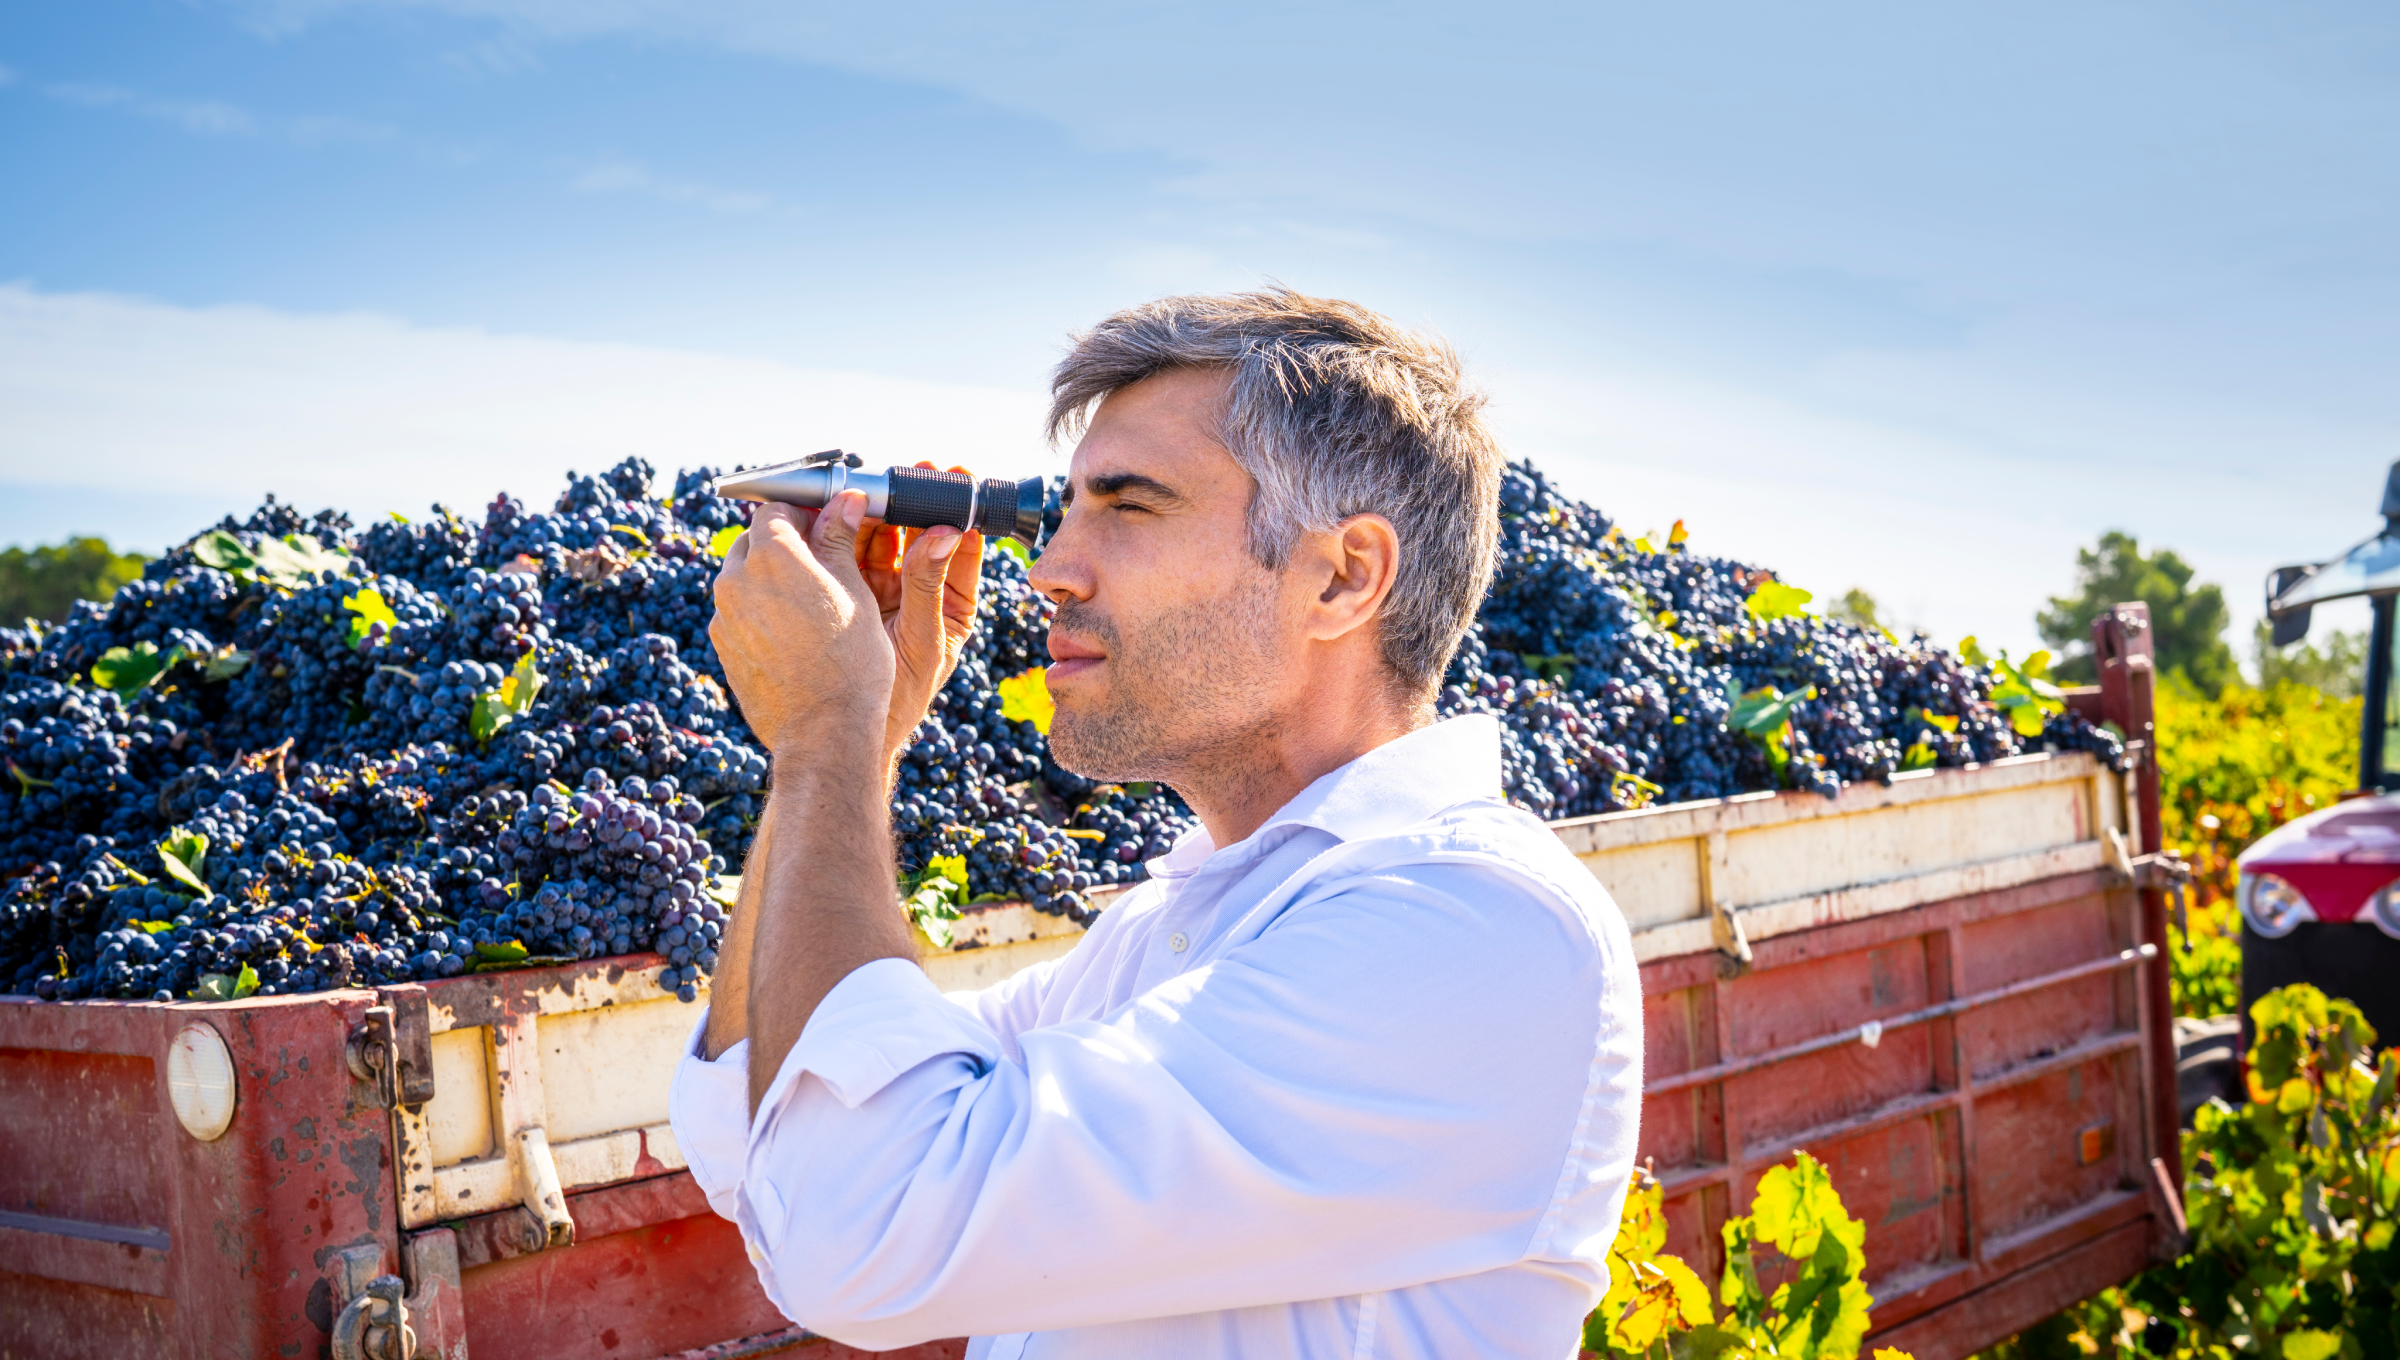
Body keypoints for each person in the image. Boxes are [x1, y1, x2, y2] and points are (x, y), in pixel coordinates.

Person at [670, 288, 1644, 1360]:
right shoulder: (1165, 934)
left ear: (1342, 577)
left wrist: (829, 734)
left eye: (1129, 507)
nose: (1050, 570)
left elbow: (859, 1222)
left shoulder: (1474, 930)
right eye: (1064, 511)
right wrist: (856, 739)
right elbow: (759, 1131)